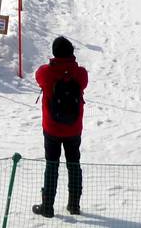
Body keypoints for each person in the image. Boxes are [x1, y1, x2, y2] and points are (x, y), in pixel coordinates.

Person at [32, 36, 88, 218]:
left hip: (51, 128)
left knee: (52, 165)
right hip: (74, 128)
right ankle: (74, 205)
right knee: (74, 164)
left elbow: (37, 75)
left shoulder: (46, 72)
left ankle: (47, 206)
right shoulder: (81, 73)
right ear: (72, 52)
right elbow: (83, 83)